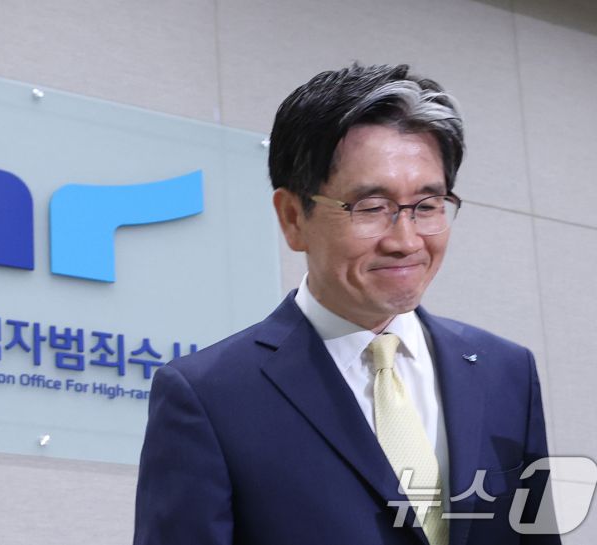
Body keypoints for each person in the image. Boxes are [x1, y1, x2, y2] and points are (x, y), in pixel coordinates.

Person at [132, 63, 560, 545]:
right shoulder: (210, 397)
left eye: (427, 206)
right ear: (293, 218)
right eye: (372, 208)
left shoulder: (506, 373)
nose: (406, 241)